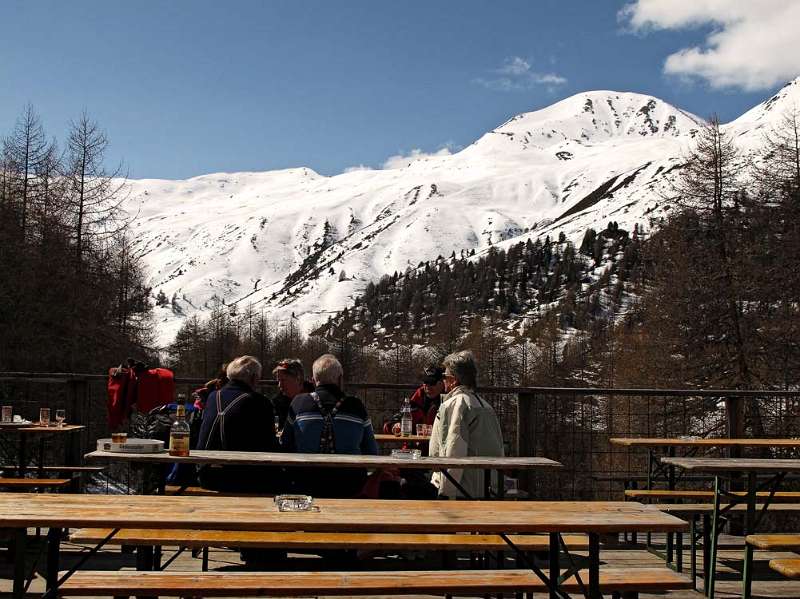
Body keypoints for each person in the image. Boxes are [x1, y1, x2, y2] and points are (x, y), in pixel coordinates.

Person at [281, 353, 378, 498]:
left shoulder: (298, 403)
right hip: (350, 485)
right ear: (340, 379)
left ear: (314, 381)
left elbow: (285, 444)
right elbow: (372, 452)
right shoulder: (356, 406)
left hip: (305, 484)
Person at [196, 355, 283, 493]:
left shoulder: (213, 397)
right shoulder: (259, 402)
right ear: (254, 378)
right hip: (240, 478)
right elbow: (269, 444)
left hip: (206, 475)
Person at [429, 350, 504, 499]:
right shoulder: (485, 405)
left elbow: (453, 451)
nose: (443, 380)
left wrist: (445, 494)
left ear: (454, 380)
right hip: (488, 489)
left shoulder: (455, 405)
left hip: (462, 491)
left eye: (445, 376)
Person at [270, 358, 314, 431]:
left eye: (283, 380)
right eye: (278, 381)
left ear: (298, 379)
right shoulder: (277, 403)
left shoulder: (316, 397)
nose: (279, 385)